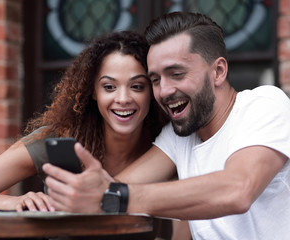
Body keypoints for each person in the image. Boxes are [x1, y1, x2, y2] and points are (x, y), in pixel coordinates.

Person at [42, 12, 290, 240]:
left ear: (218, 71)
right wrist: (60, 199)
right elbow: (114, 187)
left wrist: (114, 197)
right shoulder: (178, 136)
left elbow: (238, 189)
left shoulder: (264, 104)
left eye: (177, 74)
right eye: (156, 79)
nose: (164, 91)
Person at [0, 30, 168, 211]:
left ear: (151, 91)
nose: (123, 98)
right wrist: (13, 202)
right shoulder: (59, 139)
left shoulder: (169, 143)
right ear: (94, 91)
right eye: (109, 87)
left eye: (137, 86)